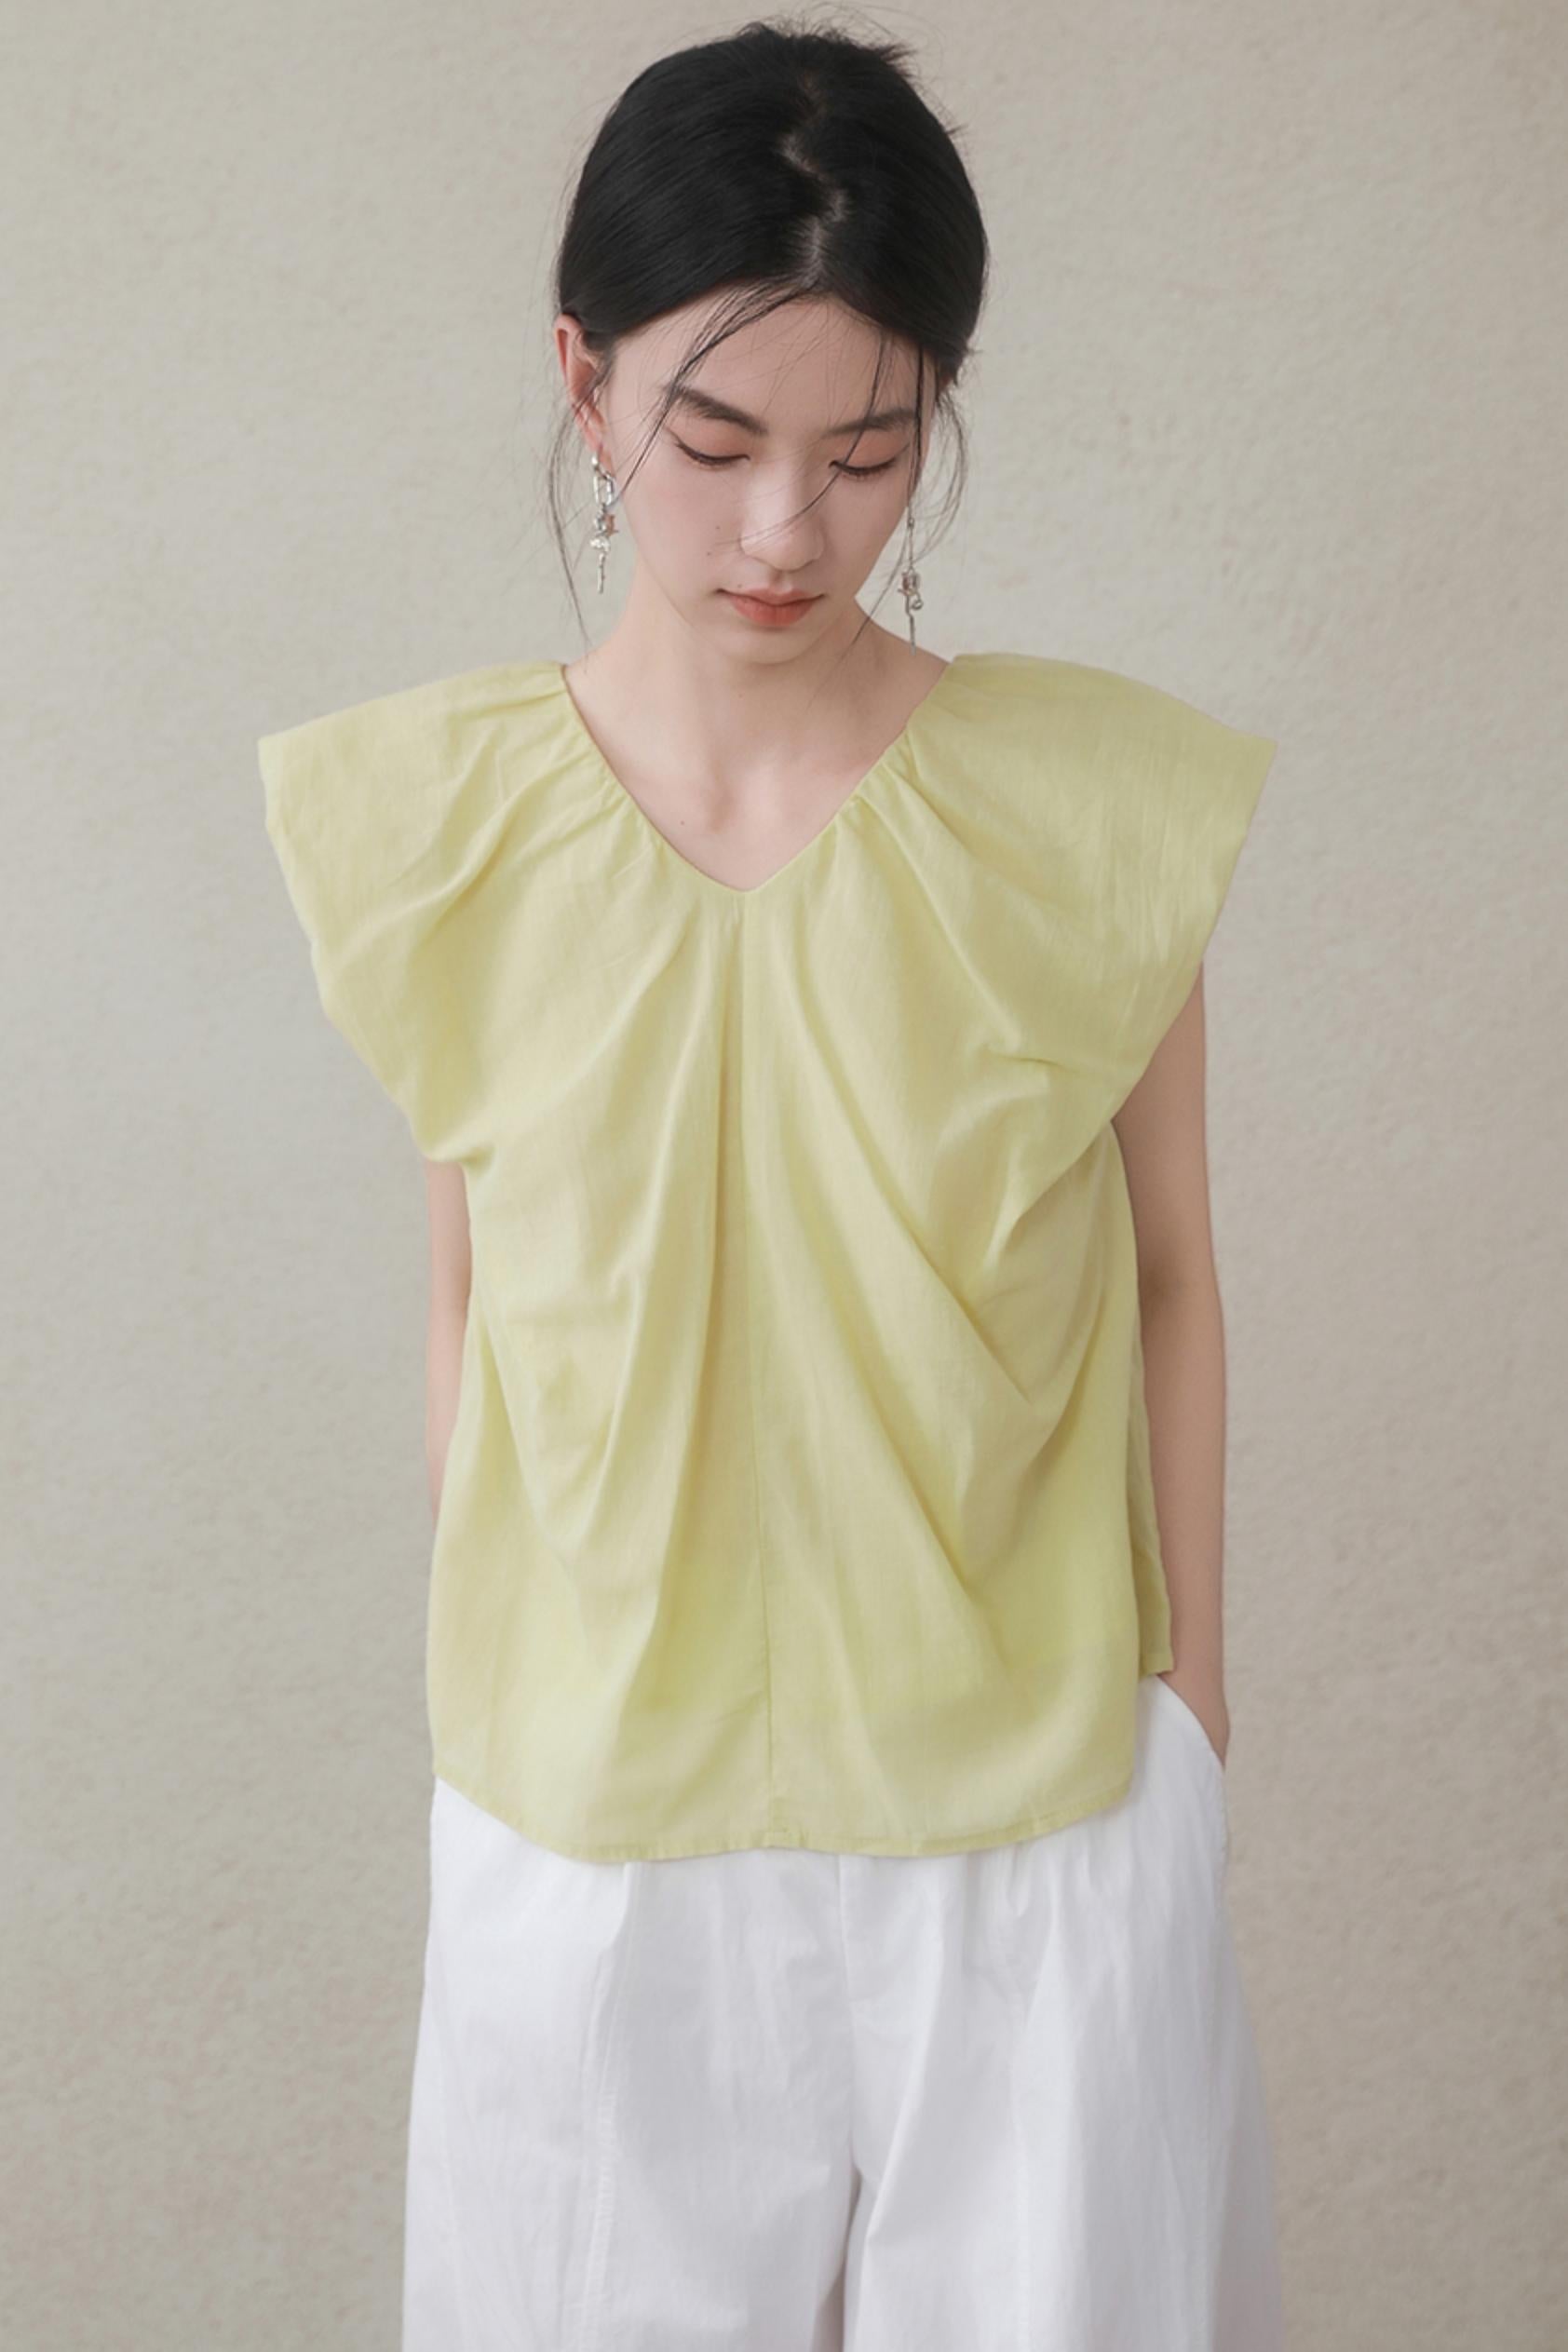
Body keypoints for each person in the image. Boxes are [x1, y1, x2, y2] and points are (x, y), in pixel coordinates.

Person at [259, 19, 1285, 2350]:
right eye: (713, 441)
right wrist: (509, 1697)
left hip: (1035, 1821)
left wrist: (1188, 1724)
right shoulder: (437, 828)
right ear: (582, 380)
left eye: (868, 450)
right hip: (584, 1829)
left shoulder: (1088, 811)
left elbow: (1170, 1272)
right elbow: (472, 1293)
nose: (782, 534)